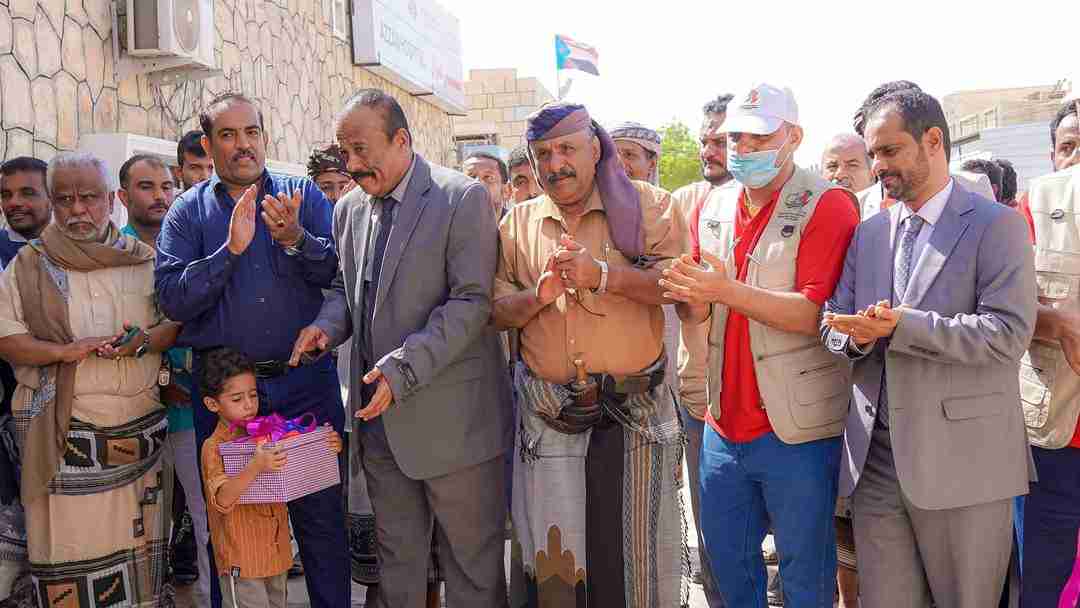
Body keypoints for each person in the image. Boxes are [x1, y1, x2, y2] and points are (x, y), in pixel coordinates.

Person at [293, 88, 510, 608]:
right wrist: (326, 328)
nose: (351, 165)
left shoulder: (461, 198)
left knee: (473, 575)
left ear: (402, 141)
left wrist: (403, 369)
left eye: (361, 150)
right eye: (345, 152)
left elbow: (471, 303)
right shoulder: (348, 209)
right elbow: (346, 291)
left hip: (456, 428)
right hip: (380, 428)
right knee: (398, 574)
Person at [821, 87, 1035, 608]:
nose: (878, 166)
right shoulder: (869, 234)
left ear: (933, 141)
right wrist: (853, 336)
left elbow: (1006, 334)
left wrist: (902, 326)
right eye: (872, 154)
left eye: (889, 151)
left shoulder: (997, 225)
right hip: (876, 465)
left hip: (965, 465)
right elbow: (832, 322)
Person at [662, 83, 859, 608]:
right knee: (728, 568)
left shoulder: (827, 204)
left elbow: (813, 313)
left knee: (805, 575)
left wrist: (721, 290)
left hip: (795, 426)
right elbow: (701, 309)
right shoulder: (713, 203)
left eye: (758, 137)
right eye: (735, 138)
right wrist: (691, 297)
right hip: (723, 421)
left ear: (794, 137)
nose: (743, 149)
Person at [154, 93, 348, 608]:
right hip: (228, 405)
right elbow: (172, 299)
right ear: (207, 144)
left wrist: (296, 238)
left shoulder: (303, 195)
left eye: (252, 132)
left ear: (264, 136)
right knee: (233, 529)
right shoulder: (188, 212)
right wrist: (230, 252)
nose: (243, 145)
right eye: (228, 135)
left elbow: (339, 274)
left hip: (303, 386)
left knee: (322, 523)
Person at [494, 101, 687, 607]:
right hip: (549, 419)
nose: (555, 164)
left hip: (635, 420)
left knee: (635, 571)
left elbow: (675, 285)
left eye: (567, 149)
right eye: (543, 154)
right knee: (556, 573)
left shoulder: (650, 206)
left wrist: (602, 276)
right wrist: (538, 296)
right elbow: (495, 312)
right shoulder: (517, 224)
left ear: (595, 149)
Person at [0, 152, 181, 608]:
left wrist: (142, 341)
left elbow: (173, 325)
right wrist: (64, 352)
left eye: (89, 198)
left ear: (111, 200)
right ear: (52, 202)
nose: (77, 209)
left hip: (139, 438)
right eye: (64, 199)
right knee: (72, 553)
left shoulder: (146, 260)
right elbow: (7, 339)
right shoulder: (29, 265)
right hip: (64, 438)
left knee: (139, 557)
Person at [115, 153, 216, 606]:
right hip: (131, 411)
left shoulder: (190, 246)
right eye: (146, 187)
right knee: (136, 518)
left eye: (166, 187)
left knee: (206, 512)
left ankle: (214, 598)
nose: (159, 196)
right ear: (122, 197)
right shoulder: (111, 256)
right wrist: (160, 378)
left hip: (192, 408)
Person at [199, 347, 342, 608]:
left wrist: (326, 444)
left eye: (253, 395)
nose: (249, 405)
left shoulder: (268, 431)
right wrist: (255, 466)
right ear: (212, 404)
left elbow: (298, 467)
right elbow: (222, 499)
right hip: (243, 561)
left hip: (276, 556)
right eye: (237, 399)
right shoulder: (214, 446)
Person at [1010, 104, 1080, 607]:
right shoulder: (1033, 205)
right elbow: (1001, 308)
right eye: (1069, 146)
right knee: (1037, 584)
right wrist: (1058, 323)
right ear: (1052, 155)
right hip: (1051, 437)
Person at [670, 93, 734, 608]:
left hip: (781, 404)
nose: (709, 151)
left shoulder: (794, 204)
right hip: (702, 398)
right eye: (704, 141)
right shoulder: (682, 205)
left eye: (722, 141)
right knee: (714, 531)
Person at [0, 158, 51, 267]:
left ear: (52, 197)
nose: (13, 202)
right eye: (6, 195)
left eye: (27, 193)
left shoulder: (78, 247)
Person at [464, 151, 510, 217]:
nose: (477, 184)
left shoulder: (517, 222)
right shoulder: (451, 222)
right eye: (470, 177)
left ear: (506, 190)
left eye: (488, 177)